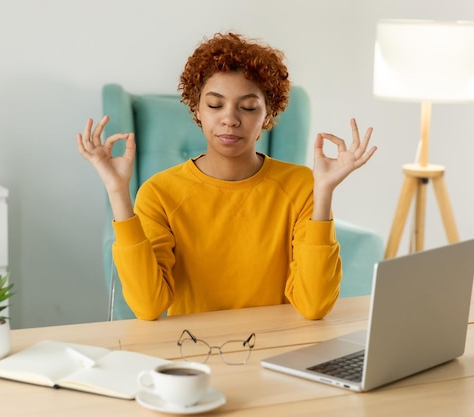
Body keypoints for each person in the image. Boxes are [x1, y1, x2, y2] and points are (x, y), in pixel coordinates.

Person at [77, 32, 376, 321]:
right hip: (194, 355)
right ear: (197, 110)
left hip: (278, 352)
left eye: (247, 107)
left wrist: (323, 193)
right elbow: (148, 306)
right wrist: (117, 190)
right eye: (215, 105)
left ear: (268, 116)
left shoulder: (301, 187)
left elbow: (314, 306)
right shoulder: (159, 192)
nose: (230, 119)